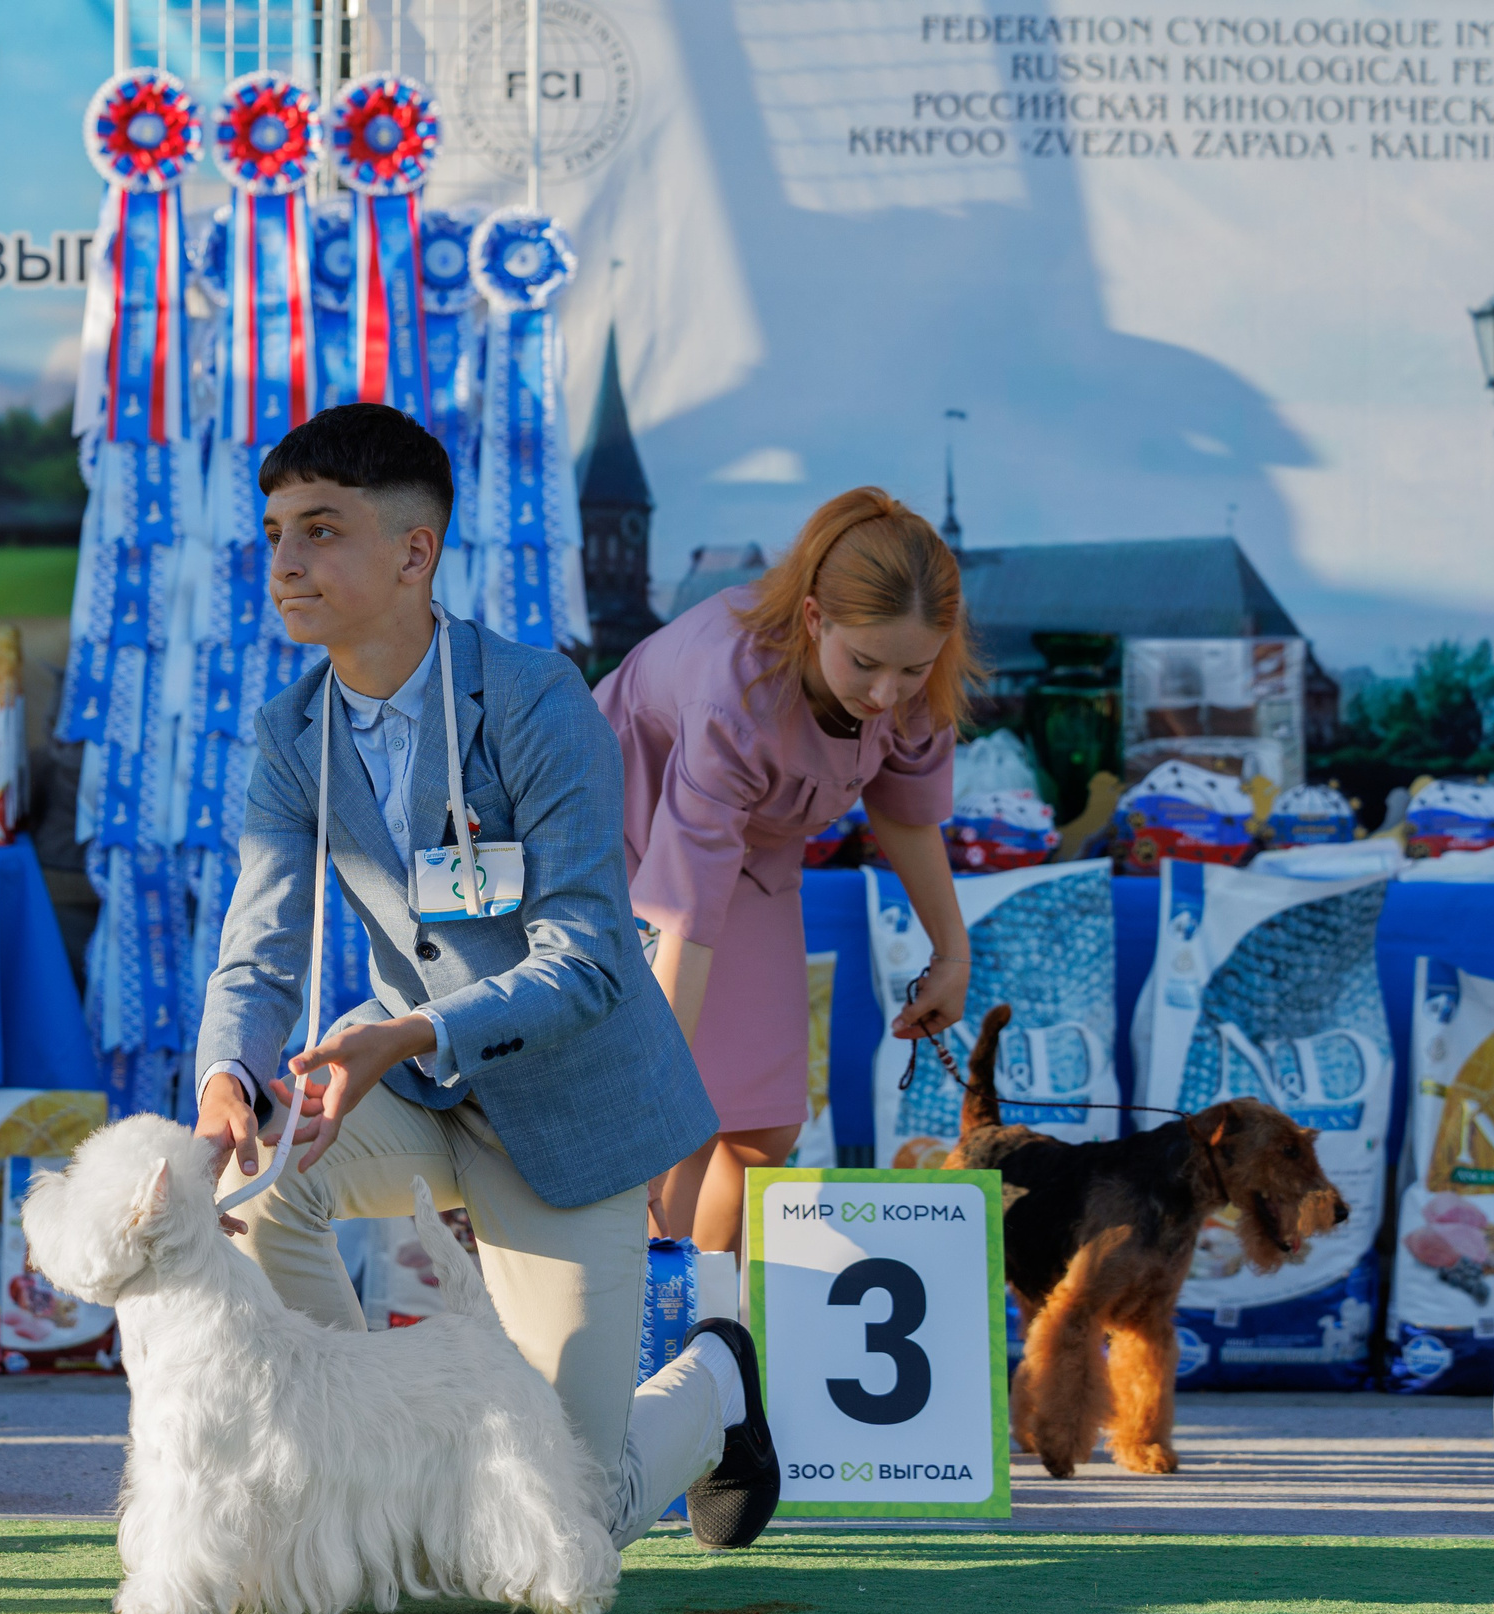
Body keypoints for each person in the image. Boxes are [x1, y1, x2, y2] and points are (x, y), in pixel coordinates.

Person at [193, 402, 777, 1551]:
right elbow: (258, 945)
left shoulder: (535, 697)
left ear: (415, 553)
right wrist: (227, 1074)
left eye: (319, 530)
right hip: (406, 1087)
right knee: (255, 1191)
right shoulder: (285, 728)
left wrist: (400, 1037)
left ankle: (713, 1391)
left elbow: (590, 963)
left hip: (571, 1103)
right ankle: (362, 1465)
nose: (284, 561)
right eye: (271, 533)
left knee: (568, 1517)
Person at [596, 487, 976, 1254]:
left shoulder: (910, 677)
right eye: (866, 664)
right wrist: (649, 1094)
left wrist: (952, 952)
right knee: (675, 1128)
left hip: (757, 855)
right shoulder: (732, 694)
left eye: (912, 670)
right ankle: (642, 1340)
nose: (885, 695)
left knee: (764, 1122)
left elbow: (904, 811)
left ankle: (711, 1321)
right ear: (814, 619)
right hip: (626, 840)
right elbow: (680, 912)